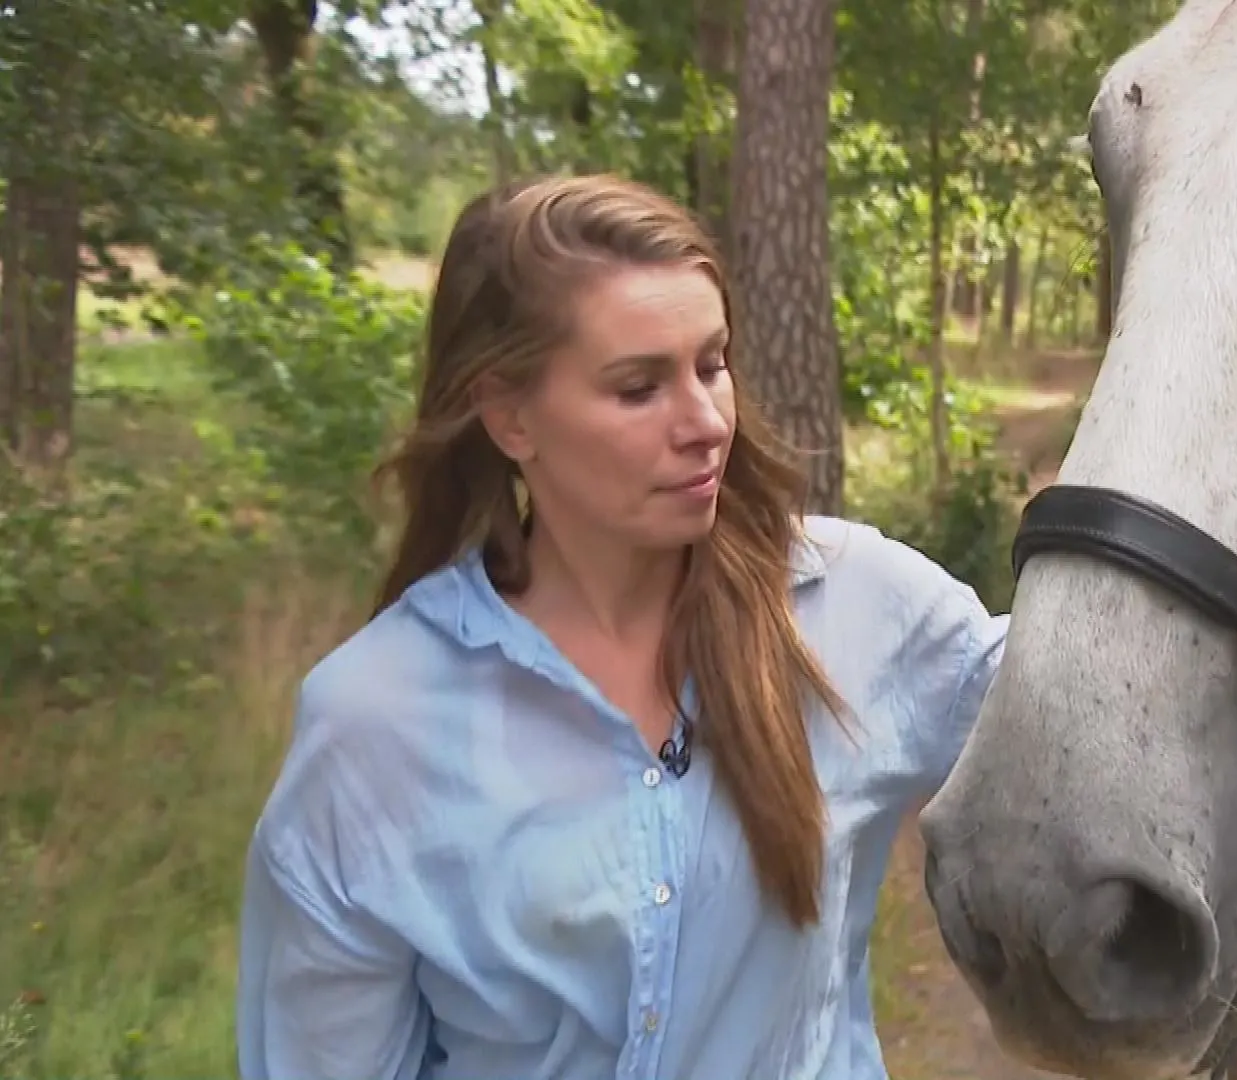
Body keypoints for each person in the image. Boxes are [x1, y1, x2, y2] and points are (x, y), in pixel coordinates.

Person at [233, 174, 1008, 1080]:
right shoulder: (375, 728)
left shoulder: (852, 604)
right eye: (639, 388)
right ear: (509, 415)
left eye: (712, 365)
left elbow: (1092, 712)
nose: (706, 423)